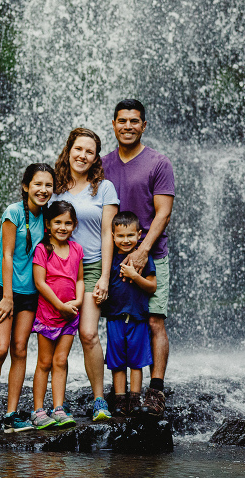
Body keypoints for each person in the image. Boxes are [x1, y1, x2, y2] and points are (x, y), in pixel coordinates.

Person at [101, 99, 175, 418]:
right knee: (117, 320)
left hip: (152, 255)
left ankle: (155, 390)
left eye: (134, 121)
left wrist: (143, 250)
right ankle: (121, 395)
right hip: (112, 261)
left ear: (144, 125)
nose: (128, 126)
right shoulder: (102, 164)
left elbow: (164, 212)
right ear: (114, 124)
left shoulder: (159, 163)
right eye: (122, 120)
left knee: (154, 320)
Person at [0, 163, 56, 436]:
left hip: (31, 293)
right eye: (38, 184)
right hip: (4, 289)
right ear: (26, 186)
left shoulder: (47, 217)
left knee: (20, 349)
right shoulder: (14, 213)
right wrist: (7, 297)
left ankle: (11, 414)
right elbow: (7, 255)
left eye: (48, 186)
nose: (43, 190)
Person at [52, 128, 119, 421]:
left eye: (89, 152)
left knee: (88, 333)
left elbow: (108, 234)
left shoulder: (104, 188)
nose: (82, 156)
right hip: (59, 269)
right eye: (78, 149)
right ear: (69, 150)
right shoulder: (53, 187)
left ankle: (99, 400)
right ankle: (57, 404)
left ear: (96, 158)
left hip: (91, 267)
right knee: (56, 337)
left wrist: (105, 276)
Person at [30, 201, 84, 429]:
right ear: (48, 225)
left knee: (61, 361)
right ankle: (38, 410)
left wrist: (78, 301)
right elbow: (40, 283)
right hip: (49, 314)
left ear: (74, 225)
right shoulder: (43, 249)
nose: (63, 227)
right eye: (58, 222)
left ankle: (59, 408)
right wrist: (60, 305)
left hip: (70, 315)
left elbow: (80, 279)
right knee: (44, 362)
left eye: (68, 223)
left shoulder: (77, 249)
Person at [102, 211, 156, 416]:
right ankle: (119, 399)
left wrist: (135, 275)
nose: (126, 240)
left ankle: (134, 398)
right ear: (113, 236)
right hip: (115, 317)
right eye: (121, 236)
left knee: (136, 361)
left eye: (130, 236)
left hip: (138, 317)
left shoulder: (143, 259)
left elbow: (152, 286)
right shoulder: (110, 260)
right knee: (117, 361)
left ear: (139, 235)